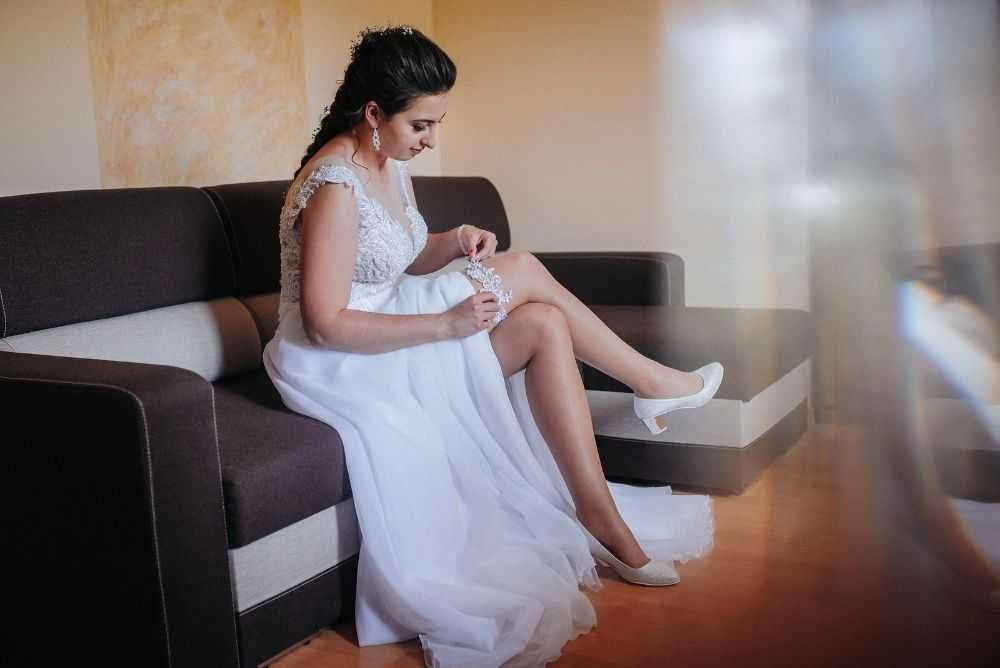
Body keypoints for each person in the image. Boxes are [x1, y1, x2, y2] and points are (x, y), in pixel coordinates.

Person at [262, 24, 721, 668]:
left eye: (436, 124)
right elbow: (325, 323)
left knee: (545, 324)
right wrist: (446, 325)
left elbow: (391, 258)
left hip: (389, 320)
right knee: (525, 268)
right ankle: (650, 382)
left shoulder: (388, 162)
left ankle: (600, 515)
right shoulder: (335, 185)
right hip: (339, 359)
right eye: (421, 125)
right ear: (372, 113)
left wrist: (452, 241)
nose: (430, 139)